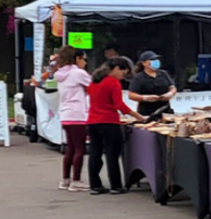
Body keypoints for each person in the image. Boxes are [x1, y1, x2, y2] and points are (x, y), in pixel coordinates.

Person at [87, 57, 145, 195]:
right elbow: (119, 105)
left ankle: (95, 185)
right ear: (117, 69)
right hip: (109, 122)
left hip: (92, 121)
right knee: (112, 155)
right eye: (123, 73)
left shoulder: (94, 81)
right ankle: (116, 185)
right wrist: (138, 116)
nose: (122, 77)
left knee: (95, 154)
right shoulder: (113, 83)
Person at [55, 46, 91, 192]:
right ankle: (76, 180)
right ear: (77, 58)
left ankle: (66, 179)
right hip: (78, 114)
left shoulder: (60, 73)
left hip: (65, 113)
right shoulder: (78, 73)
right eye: (84, 59)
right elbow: (93, 86)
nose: (85, 62)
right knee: (79, 148)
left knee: (70, 147)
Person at [128, 51, 177, 116]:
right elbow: (131, 95)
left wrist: (170, 94)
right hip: (147, 112)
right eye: (152, 60)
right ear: (143, 63)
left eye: (156, 59)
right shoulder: (139, 77)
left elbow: (172, 87)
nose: (155, 61)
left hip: (165, 110)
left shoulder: (163, 74)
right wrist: (145, 98)